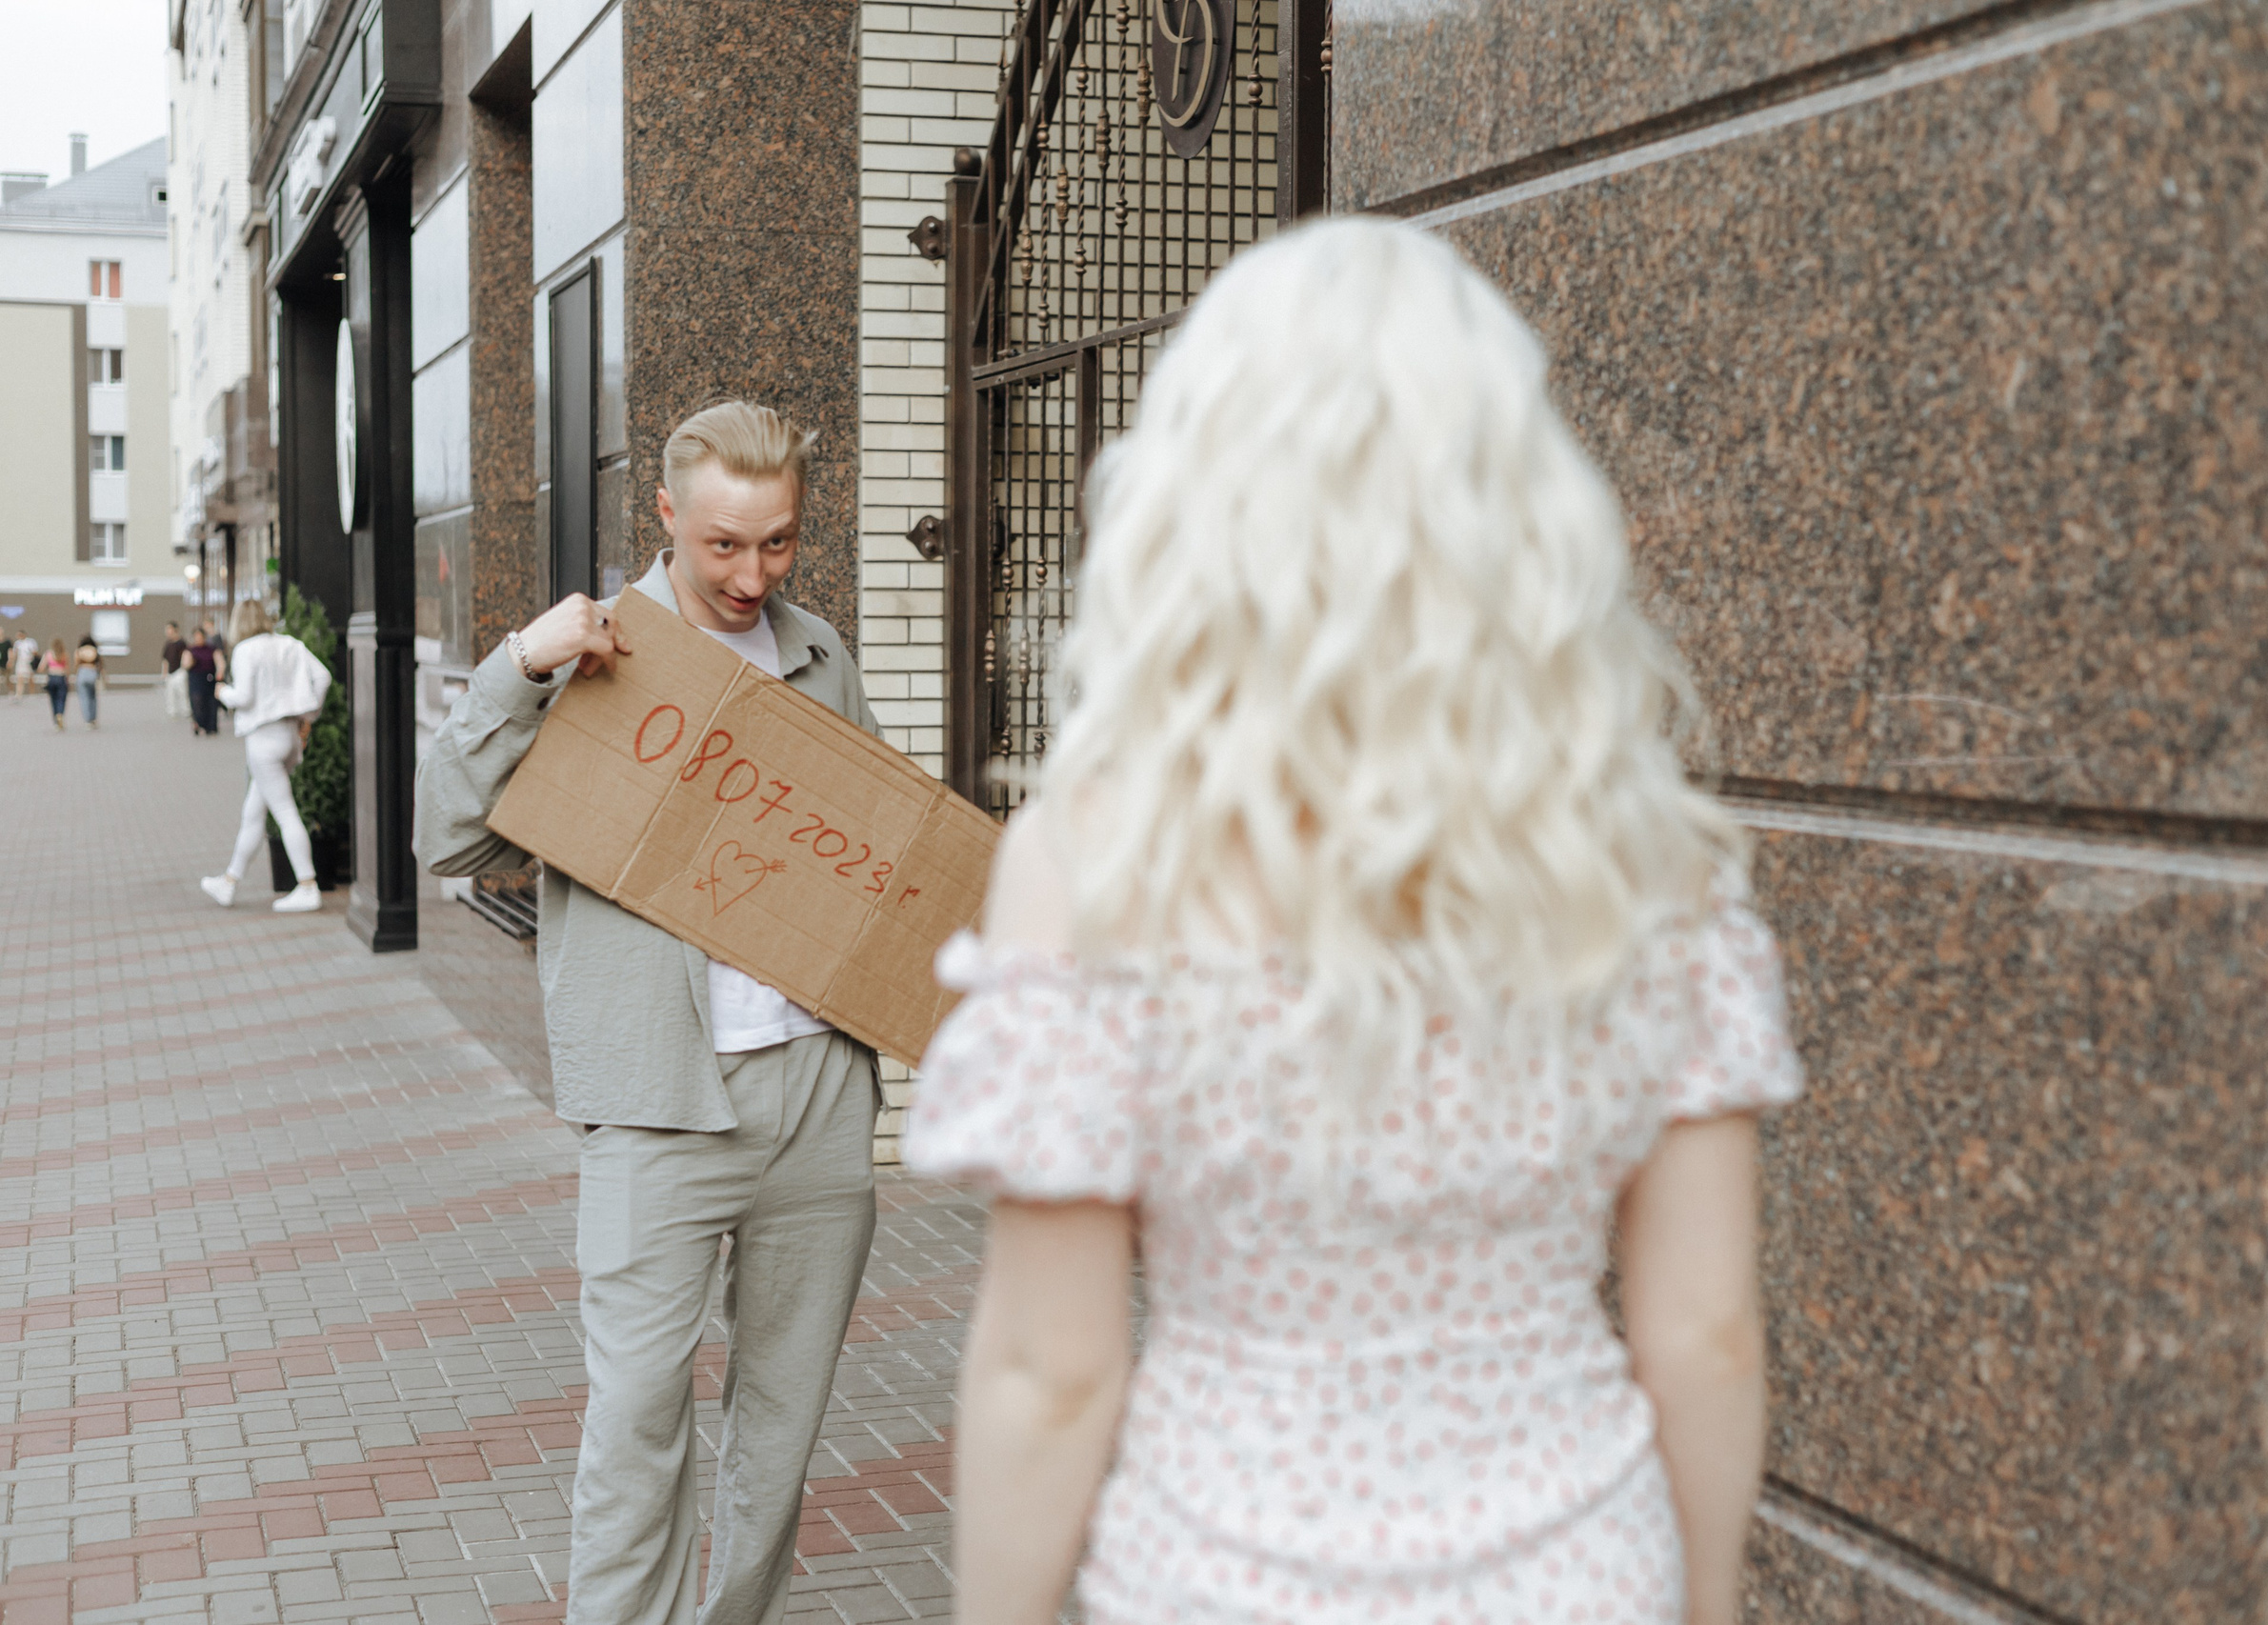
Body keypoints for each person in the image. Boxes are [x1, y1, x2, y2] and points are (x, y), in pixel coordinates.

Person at [902, 219, 1807, 1625]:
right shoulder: (1641, 860)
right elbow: (1705, 1335)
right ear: (1516, 505)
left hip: (1219, 1576)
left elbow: (1051, 1367)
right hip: (1575, 1572)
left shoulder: (1096, 858)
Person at [416, 401, 889, 1625]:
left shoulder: (821, 654)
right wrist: (519, 664)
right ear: (668, 513)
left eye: (778, 543)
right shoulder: (591, 654)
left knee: (780, 1425)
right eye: (725, 543)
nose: (751, 574)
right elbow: (448, 838)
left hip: (817, 1096)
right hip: (657, 1098)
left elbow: (871, 858)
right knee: (635, 1418)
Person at [199, 599, 331, 913]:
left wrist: (222, 693)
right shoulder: (290, 644)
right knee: (254, 813)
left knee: (284, 813)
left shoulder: (246, 650)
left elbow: (243, 697)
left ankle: (308, 885)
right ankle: (229, 882)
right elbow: (323, 677)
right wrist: (309, 715)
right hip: (289, 737)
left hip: (263, 740)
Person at [183, 623, 224, 734]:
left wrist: (220, 672)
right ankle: (199, 723)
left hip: (209, 678)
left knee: (211, 703)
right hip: (196, 678)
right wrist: (190, 662)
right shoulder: (190, 650)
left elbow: (219, 661)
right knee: (198, 702)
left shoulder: (212, 649)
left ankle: (211, 727)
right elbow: (185, 664)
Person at [71, 634, 103, 729]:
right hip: (92, 672)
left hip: (82, 672)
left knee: (84, 697)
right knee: (92, 697)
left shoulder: (79, 651)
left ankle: (87, 720)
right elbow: (100, 664)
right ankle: (93, 718)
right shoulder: (94, 650)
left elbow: (76, 664)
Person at [161, 620, 189, 722]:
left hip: (180, 671)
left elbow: (186, 655)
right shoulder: (168, 644)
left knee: (182, 691)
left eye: (169, 629)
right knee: (170, 693)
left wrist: (184, 668)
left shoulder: (181, 643)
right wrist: (164, 672)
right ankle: (172, 711)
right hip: (170, 672)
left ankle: (186, 710)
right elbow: (165, 659)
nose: (168, 631)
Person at [40, 640, 70, 731]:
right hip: (61, 677)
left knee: (53, 700)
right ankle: (60, 714)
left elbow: (41, 668)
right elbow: (67, 668)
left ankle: (56, 721)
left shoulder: (48, 654)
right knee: (61, 699)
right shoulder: (64, 654)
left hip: (52, 677)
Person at [10, 632, 36, 701]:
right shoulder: (17, 643)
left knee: (30, 678)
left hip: (29, 662)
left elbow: (35, 651)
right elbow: (15, 653)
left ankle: (32, 693)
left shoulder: (30, 642)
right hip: (21, 662)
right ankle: (19, 693)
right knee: (20, 678)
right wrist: (11, 661)